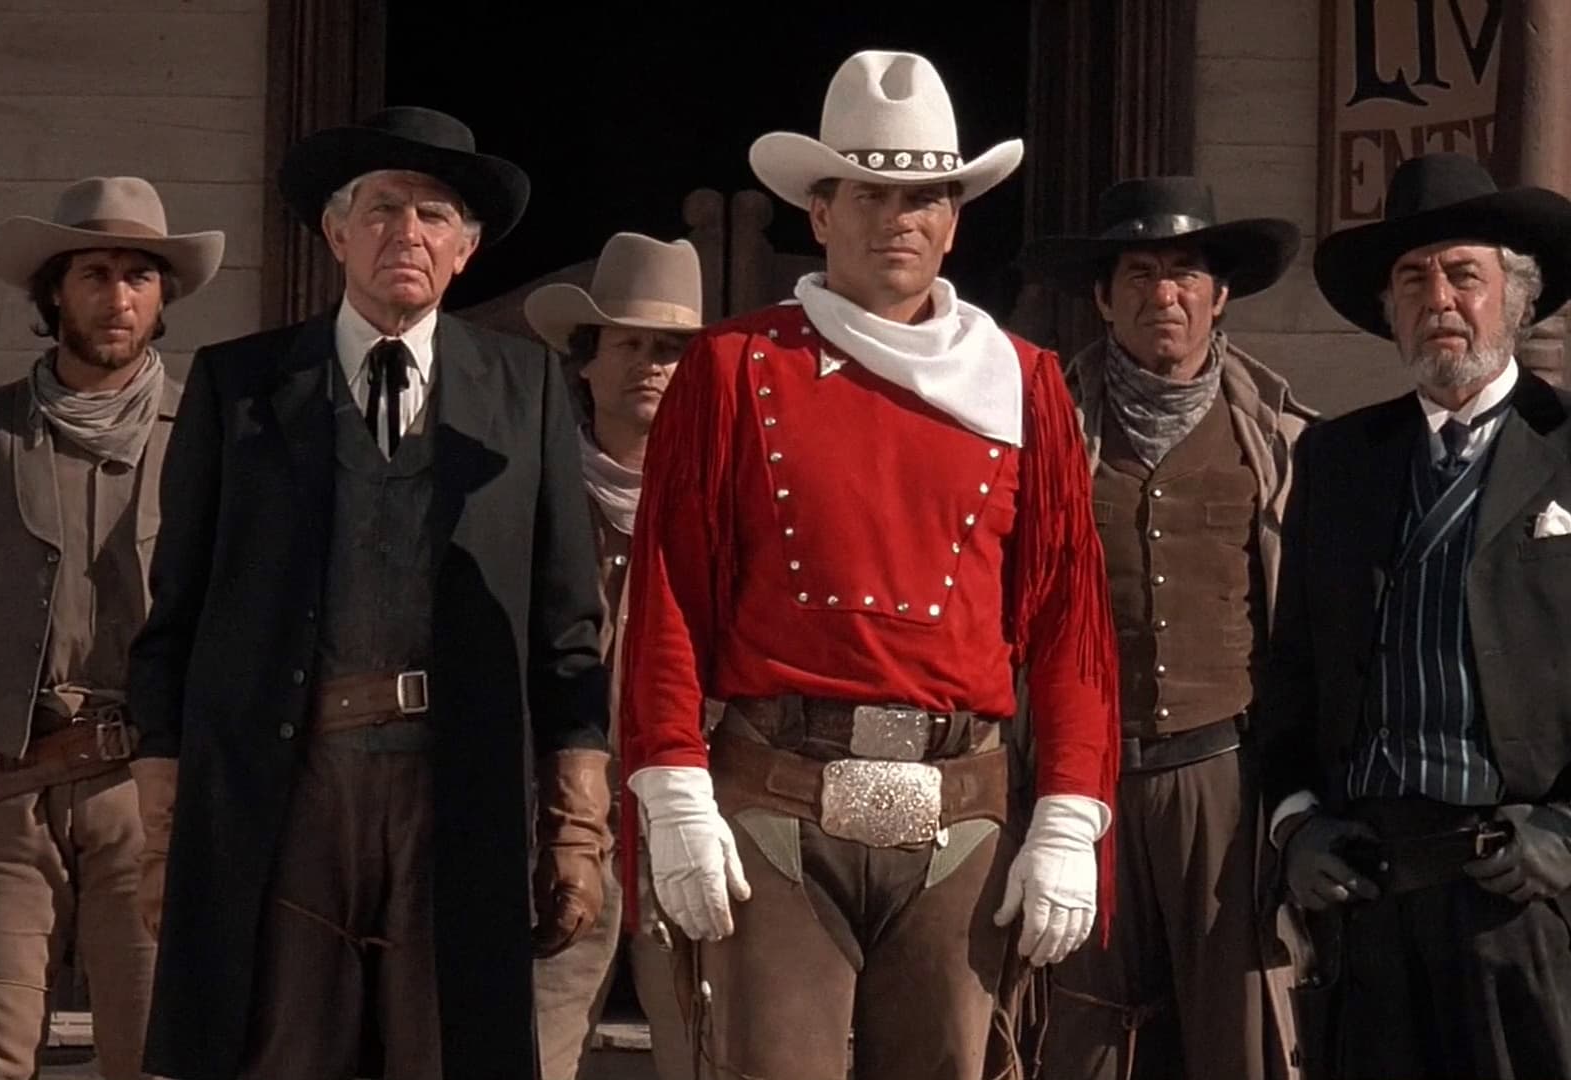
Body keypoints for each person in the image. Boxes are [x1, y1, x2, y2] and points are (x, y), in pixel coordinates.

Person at [617, 49, 1119, 1080]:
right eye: (870, 194)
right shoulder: (733, 367)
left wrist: (1070, 814)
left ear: (955, 219)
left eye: (924, 196)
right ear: (819, 211)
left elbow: (1070, 617)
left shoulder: (1026, 382)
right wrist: (672, 788)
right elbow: (668, 596)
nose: (899, 219)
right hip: (776, 800)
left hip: (961, 808)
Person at [126, 106, 611, 1080]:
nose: (408, 233)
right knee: (282, 1050)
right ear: (336, 232)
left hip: (456, 790)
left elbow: (567, 624)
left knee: (443, 1051)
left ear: (465, 251)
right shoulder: (239, 386)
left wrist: (576, 828)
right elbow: (174, 614)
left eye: (436, 216)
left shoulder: (528, 389)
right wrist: (166, 829)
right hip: (287, 788)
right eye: (383, 208)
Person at [1255, 152, 1571, 1079]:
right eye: (1413, 280)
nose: (1440, 300)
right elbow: (1292, 668)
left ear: (1518, 297)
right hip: (1369, 889)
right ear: (1389, 309)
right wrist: (1295, 824)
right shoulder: (1337, 459)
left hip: (1528, 888)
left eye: (1465, 274)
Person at [1018, 175, 1308, 1079]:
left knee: (1237, 1038)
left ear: (1219, 296)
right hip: (1080, 781)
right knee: (1080, 1036)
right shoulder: (1041, 430)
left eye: (1184, 272)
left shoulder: (1281, 438)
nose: (1164, 295)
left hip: (1223, 777)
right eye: (1139, 274)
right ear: (1104, 298)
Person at [0, 175, 223, 1080]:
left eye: (139, 277)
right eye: (95, 275)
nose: (119, 298)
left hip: (152, 788)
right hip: (9, 782)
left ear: (162, 297)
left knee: (150, 1051)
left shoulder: (209, 437)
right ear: (54, 293)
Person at [524, 230, 705, 1080]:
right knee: (534, 1045)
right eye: (629, 345)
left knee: (708, 1049)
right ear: (587, 361)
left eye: (671, 349)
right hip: (561, 813)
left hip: (691, 809)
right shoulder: (533, 489)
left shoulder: (730, 499)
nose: (652, 366)